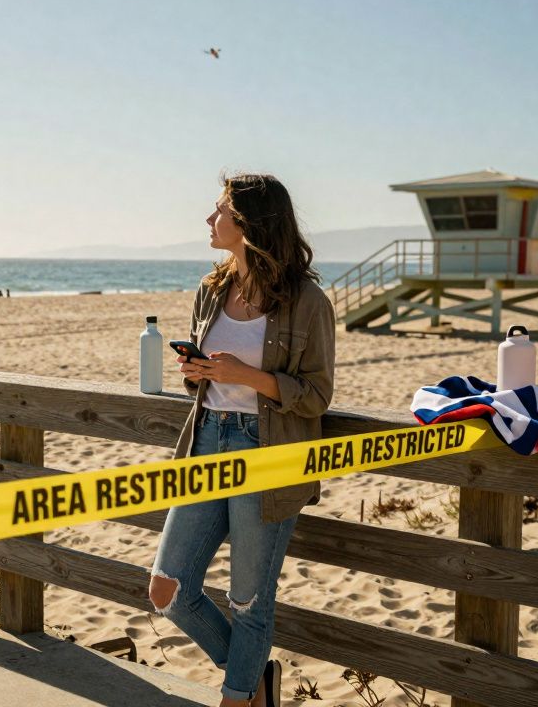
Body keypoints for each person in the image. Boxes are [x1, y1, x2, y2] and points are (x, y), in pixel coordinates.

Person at [148, 173, 335, 707]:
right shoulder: (211, 289)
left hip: (267, 452)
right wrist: (198, 372)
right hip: (206, 439)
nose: (210, 219)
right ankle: (254, 681)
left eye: (221, 210)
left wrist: (246, 376)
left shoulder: (308, 301)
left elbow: (317, 396)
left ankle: (239, 697)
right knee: (168, 589)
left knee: (248, 599)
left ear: (251, 221)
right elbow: (203, 383)